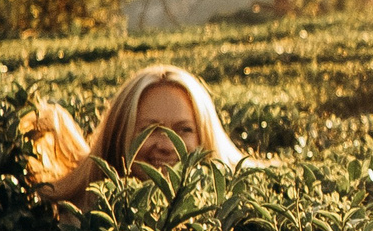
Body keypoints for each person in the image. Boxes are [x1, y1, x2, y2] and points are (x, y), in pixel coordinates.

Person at [26, 64, 250, 201]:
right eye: (150, 130)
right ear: (119, 135)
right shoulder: (76, 221)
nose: (167, 145)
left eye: (184, 130)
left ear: (205, 139)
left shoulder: (235, 218)